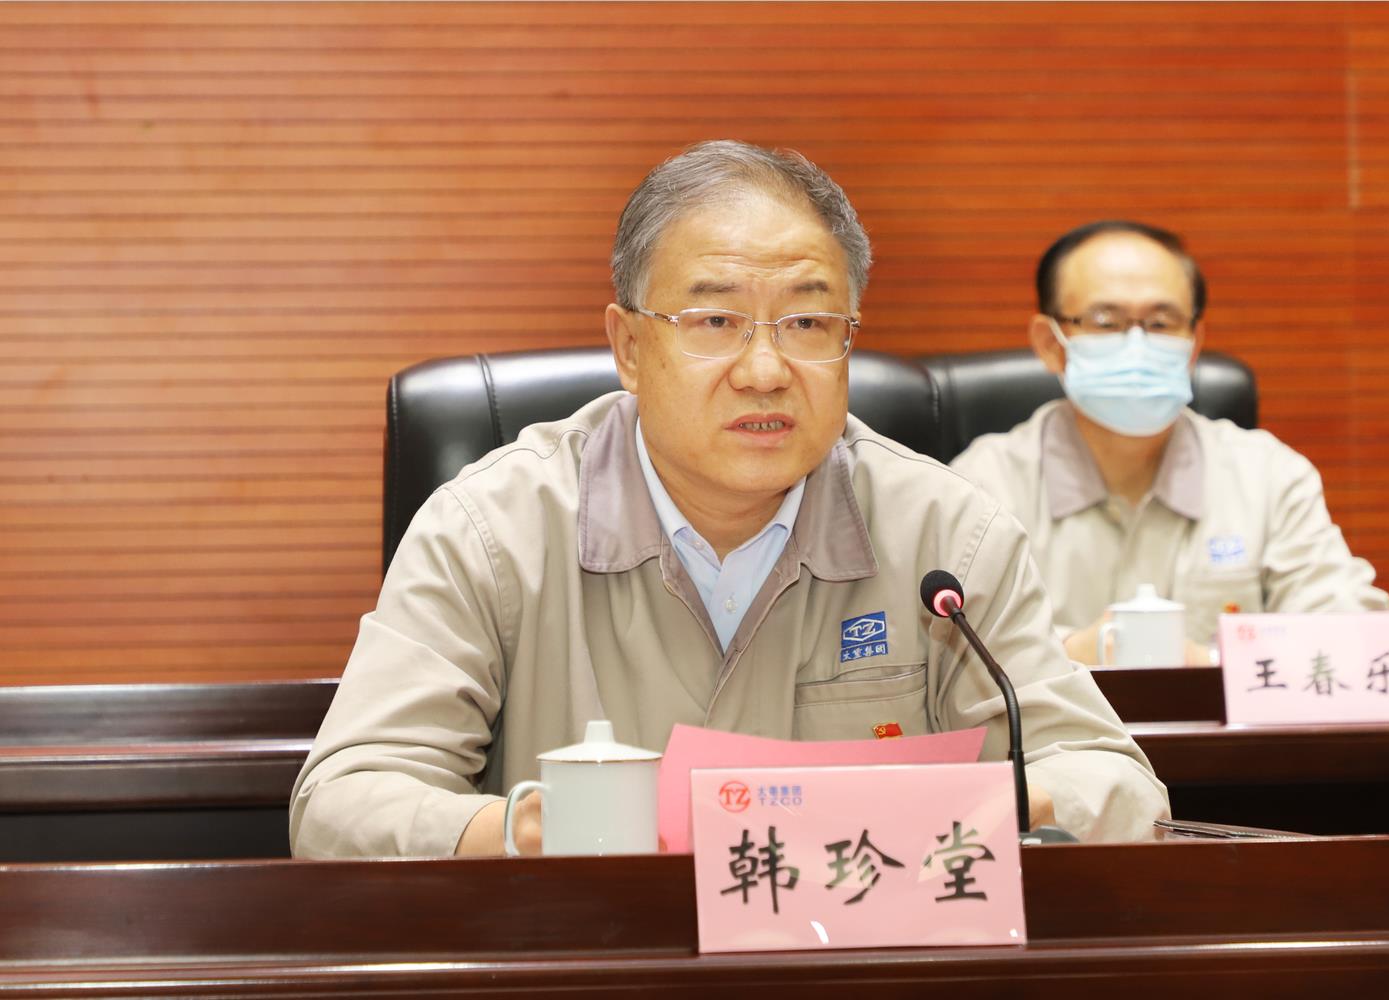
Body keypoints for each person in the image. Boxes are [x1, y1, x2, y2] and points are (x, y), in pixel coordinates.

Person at [289, 143, 1168, 858]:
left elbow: (1118, 787)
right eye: (714, 322)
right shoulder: (493, 529)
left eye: (808, 323)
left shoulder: (947, 535)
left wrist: (973, 804)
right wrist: (526, 832)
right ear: (629, 348)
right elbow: (341, 805)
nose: (765, 370)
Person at [951, 220, 1389, 665]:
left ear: (1193, 343)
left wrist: (1213, 665)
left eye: (1162, 322)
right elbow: (949, 651)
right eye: (1106, 321)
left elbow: (1353, 641)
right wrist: (1068, 655)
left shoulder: (1269, 477)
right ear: (1050, 343)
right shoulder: (983, 485)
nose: (1137, 343)